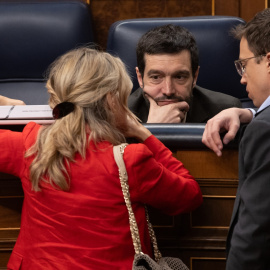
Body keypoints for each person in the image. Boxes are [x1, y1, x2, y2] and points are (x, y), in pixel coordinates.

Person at [4, 47, 203, 269]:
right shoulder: (130, 160)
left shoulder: (31, 143)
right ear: (111, 100)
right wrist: (144, 132)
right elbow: (189, 196)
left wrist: (15, 109)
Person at [202, 8, 270, 269]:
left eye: (244, 64)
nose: (241, 78)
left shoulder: (264, 131)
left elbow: (256, 230)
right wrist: (252, 113)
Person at [128, 24, 242, 123]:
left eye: (179, 77)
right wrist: (153, 129)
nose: (168, 91)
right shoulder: (118, 115)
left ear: (195, 77)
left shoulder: (224, 110)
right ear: (140, 78)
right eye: (156, 77)